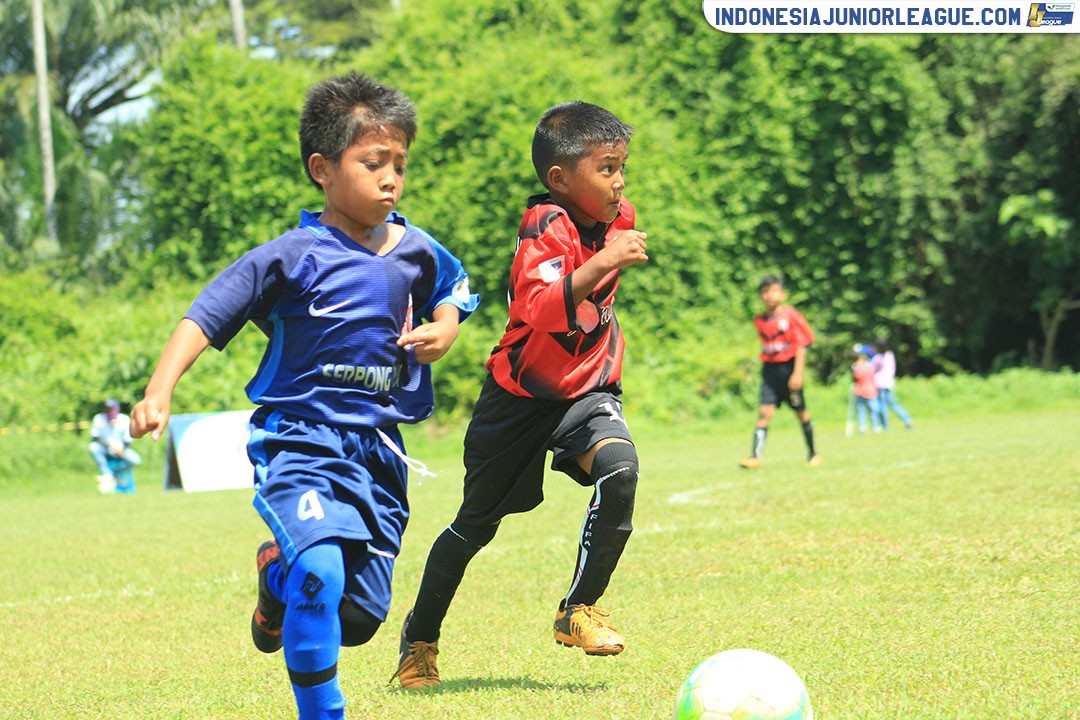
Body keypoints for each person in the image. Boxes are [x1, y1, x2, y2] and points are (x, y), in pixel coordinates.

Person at [129, 72, 479, 720]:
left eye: (399, 164)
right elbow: (206, 314)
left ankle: (275, 581)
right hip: (302, 440)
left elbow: (454, 290)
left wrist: (447, 329)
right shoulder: (290, 257)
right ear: (322, 168)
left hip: (378, 453)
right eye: (373, 163)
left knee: (357, 617)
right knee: (322, 568)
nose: (391, 179)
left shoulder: (418, 251)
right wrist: (159, 390)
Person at [391, 101, 648, 689]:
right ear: (560, 179)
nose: (620, 181)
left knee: (621, 469)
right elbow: (535, 307)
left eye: (622, 167)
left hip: (586, 387)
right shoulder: (544, 226)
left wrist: (606, 252)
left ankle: (578, 609)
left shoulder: (617, 215)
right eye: (607, 168)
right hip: (518, 400)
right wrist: (604, 260)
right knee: (473, 527)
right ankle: (419, 641)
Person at [739, 275, 822, 468]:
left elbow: (802, 344)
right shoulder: (760, 320)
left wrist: (797, 374)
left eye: (774, 291)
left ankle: (813, 453)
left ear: (783, 294)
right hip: (770, 371)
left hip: (789, 368)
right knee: (764, 412)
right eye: (765, 292)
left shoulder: (792, 316)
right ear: (761, 296)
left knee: (801, 412)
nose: (770, 296)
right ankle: (754, 456)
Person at [88, 398, 141, 493]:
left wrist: (122, 450)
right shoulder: (99, 418)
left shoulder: (124, 419)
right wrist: (109, 446)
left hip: (121, 449)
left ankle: (116, 472)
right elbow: (95, 438)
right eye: (106, 409)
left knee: (136, 460)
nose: (108, 411)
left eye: (111, 409)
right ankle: (106, 473)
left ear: (116, 408)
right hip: (105, 448)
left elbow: (127, 440)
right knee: (93, 447)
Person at [870, 337, 913, 430]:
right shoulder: (890, 355)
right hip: (889, 383)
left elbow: (871, 369)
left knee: (882, 405)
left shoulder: (878, 358)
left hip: (880, 384)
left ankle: (885, 426)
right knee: (892, 404)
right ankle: (907, 419)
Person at [851, 346, 882, 434]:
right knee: (868, 410)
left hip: (866, 390)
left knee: (868, 410)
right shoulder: (863, 366)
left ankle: (868, 427)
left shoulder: (860, 367)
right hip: (866, 390)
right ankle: (868, 427)